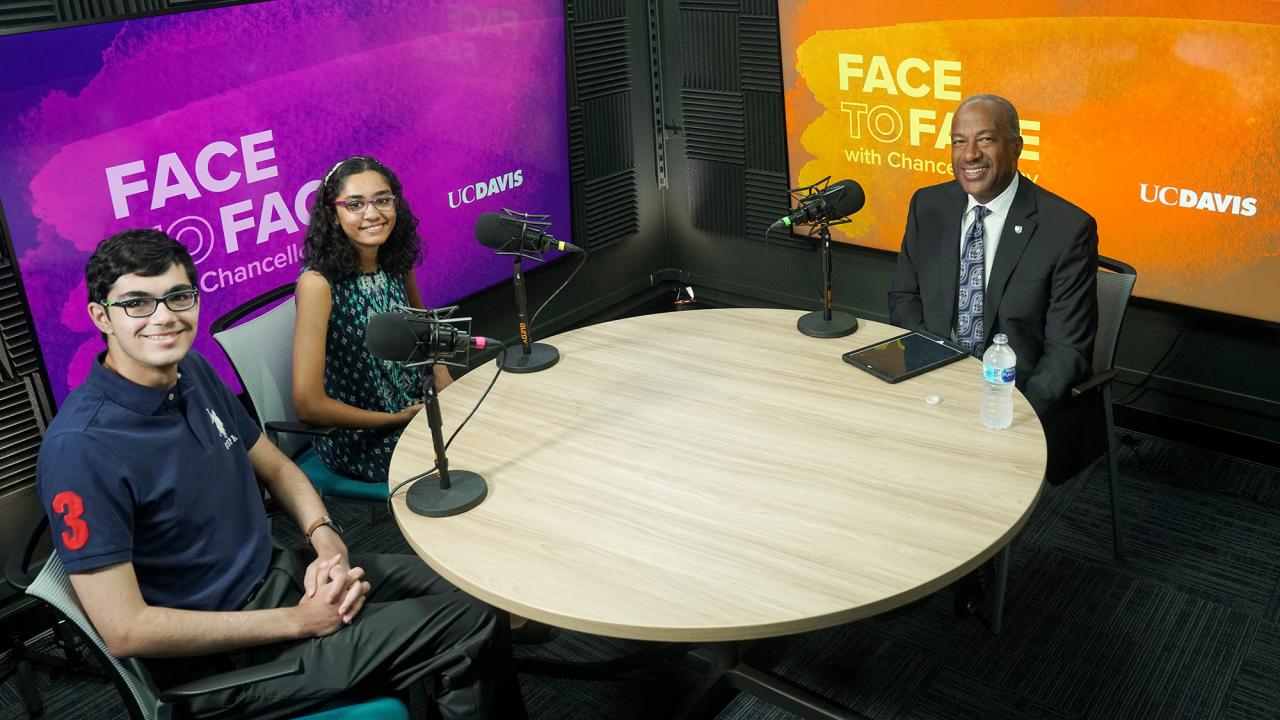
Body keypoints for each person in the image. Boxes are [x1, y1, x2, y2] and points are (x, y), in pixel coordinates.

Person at [36, 229, 526, 719]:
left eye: (178, 296)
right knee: (468, 623)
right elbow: (126, 630)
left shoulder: (192, 372)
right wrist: (299, 621)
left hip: (284, 578)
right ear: (101, 316)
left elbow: (277, 467)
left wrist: (326, 541)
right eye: (137, 304)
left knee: (473, 587)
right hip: (230, 660)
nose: (163, 317)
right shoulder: (81, 448)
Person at [888, 94, 1101, 484]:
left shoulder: (1067, 229)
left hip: (1013, 400)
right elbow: (904, 299)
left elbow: (1067, 351)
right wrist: (930, 375)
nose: (970, 154)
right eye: (959, 141)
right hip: (936, 384)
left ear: (1016, 147)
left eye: (985, 139)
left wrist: (1011, 416)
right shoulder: (928, 206)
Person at [294, 155, 452, 484]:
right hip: (362, 437)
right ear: (333, 215)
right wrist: (395, 420)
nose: (372, 214)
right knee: (464, 454)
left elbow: (424, 328)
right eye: (355, 204)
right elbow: (308, 406)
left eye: (382, 200)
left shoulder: (395, 259)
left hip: (417, 409)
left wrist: (444, 379)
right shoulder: (317, 284)